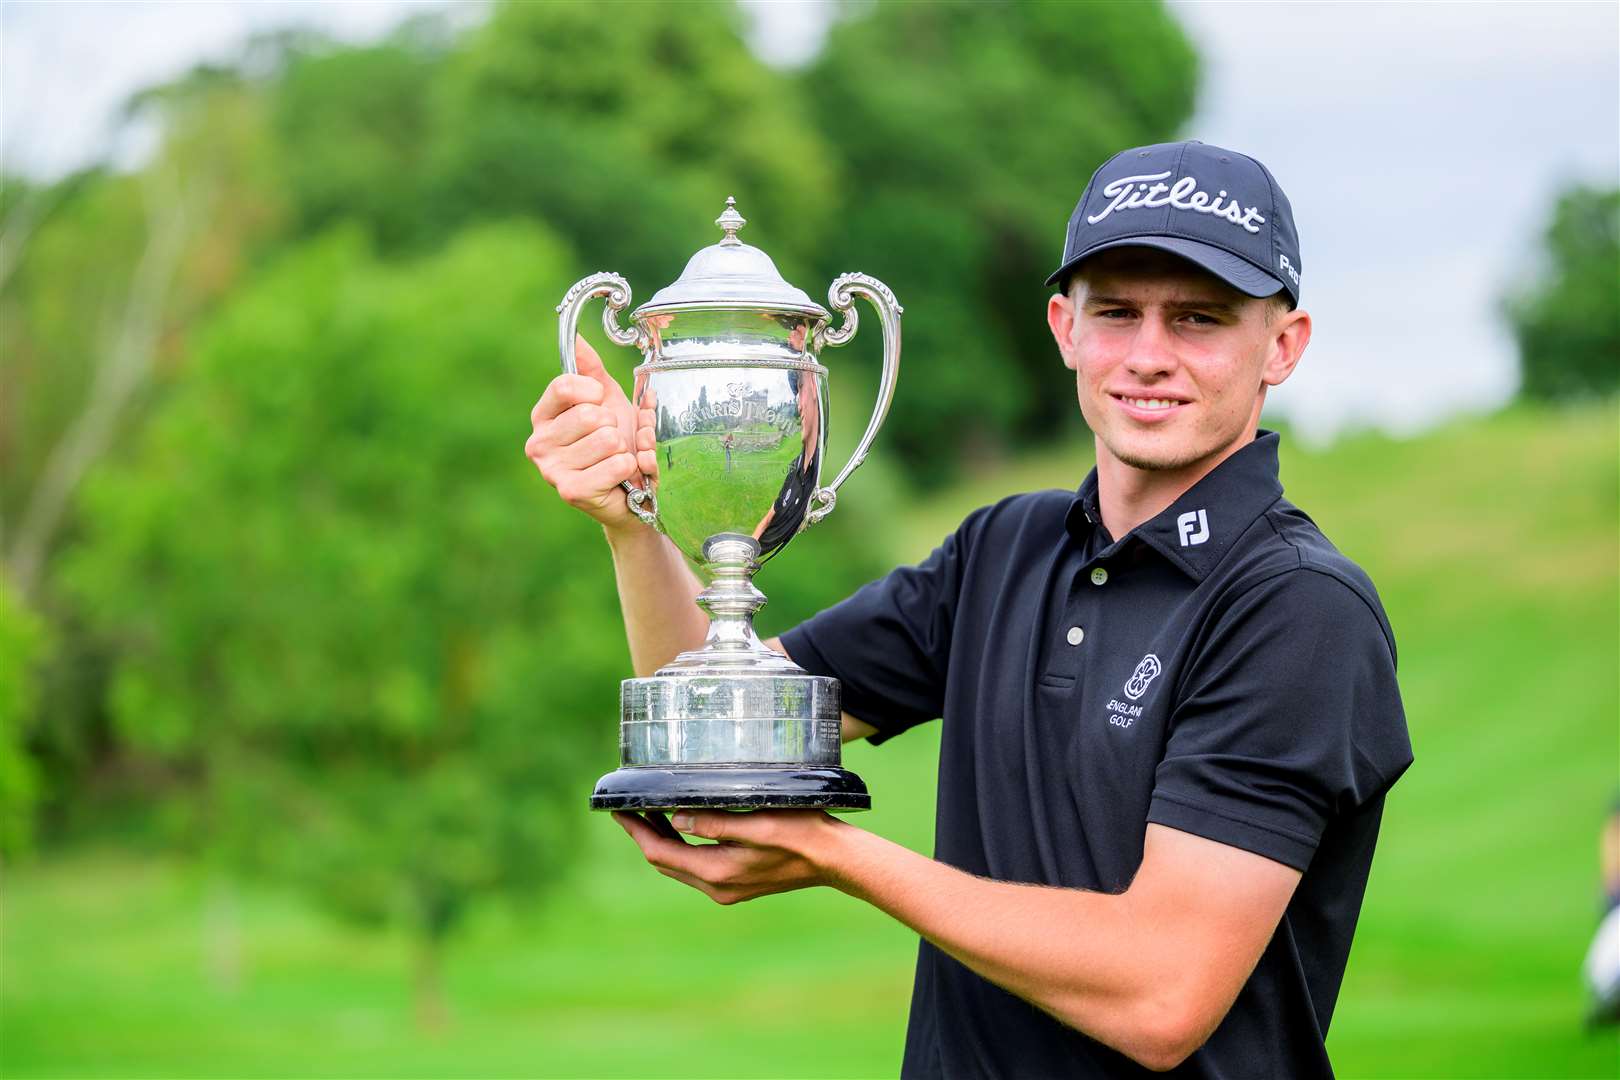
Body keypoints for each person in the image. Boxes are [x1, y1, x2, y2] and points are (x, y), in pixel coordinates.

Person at [525, 140, 1414, 1076]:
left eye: (1199, 318)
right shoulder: (1004, 550)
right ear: (1065, 328)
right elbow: (720, 730)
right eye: (1117, 312)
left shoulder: (1300, 608)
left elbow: (1163, 992)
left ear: (1283, 345)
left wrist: (843, 858)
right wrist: (637, 525)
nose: (1149, 356)